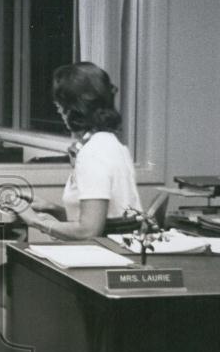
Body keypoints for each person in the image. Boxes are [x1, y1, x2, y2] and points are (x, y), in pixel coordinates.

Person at [7, 61, 140, 238]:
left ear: (73, 108)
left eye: (59, 106)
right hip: (118, 248)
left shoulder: (93, 153)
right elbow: (108, 221)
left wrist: (35, 221)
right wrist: (51, 208)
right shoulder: (112, 143)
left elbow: (89, 230)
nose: (59, 112)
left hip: (102, 256)